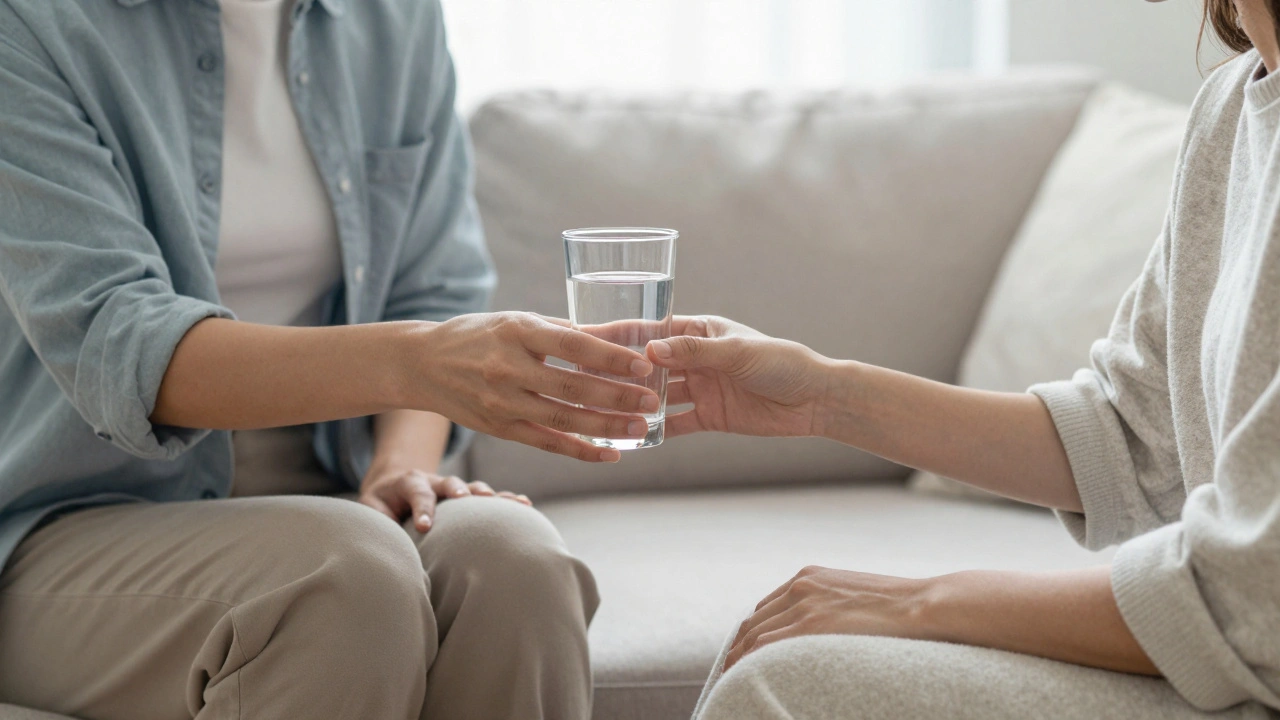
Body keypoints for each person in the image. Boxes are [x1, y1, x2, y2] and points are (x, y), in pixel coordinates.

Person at [0, 0, 659, 718]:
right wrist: (418, 362)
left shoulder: (395, 18)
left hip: (331, 485)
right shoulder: (31, 23)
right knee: (344, 577)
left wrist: (398, 467)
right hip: (72, 515)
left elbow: (433, 289)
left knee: (515, 563)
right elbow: (120, 343)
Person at [650, 1, 1280, 717]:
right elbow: (1136, 440)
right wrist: (821, 397)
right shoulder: (1232, 108)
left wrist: (919, 602)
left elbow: (1255, 597)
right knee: (779, 654)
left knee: (786, 687)